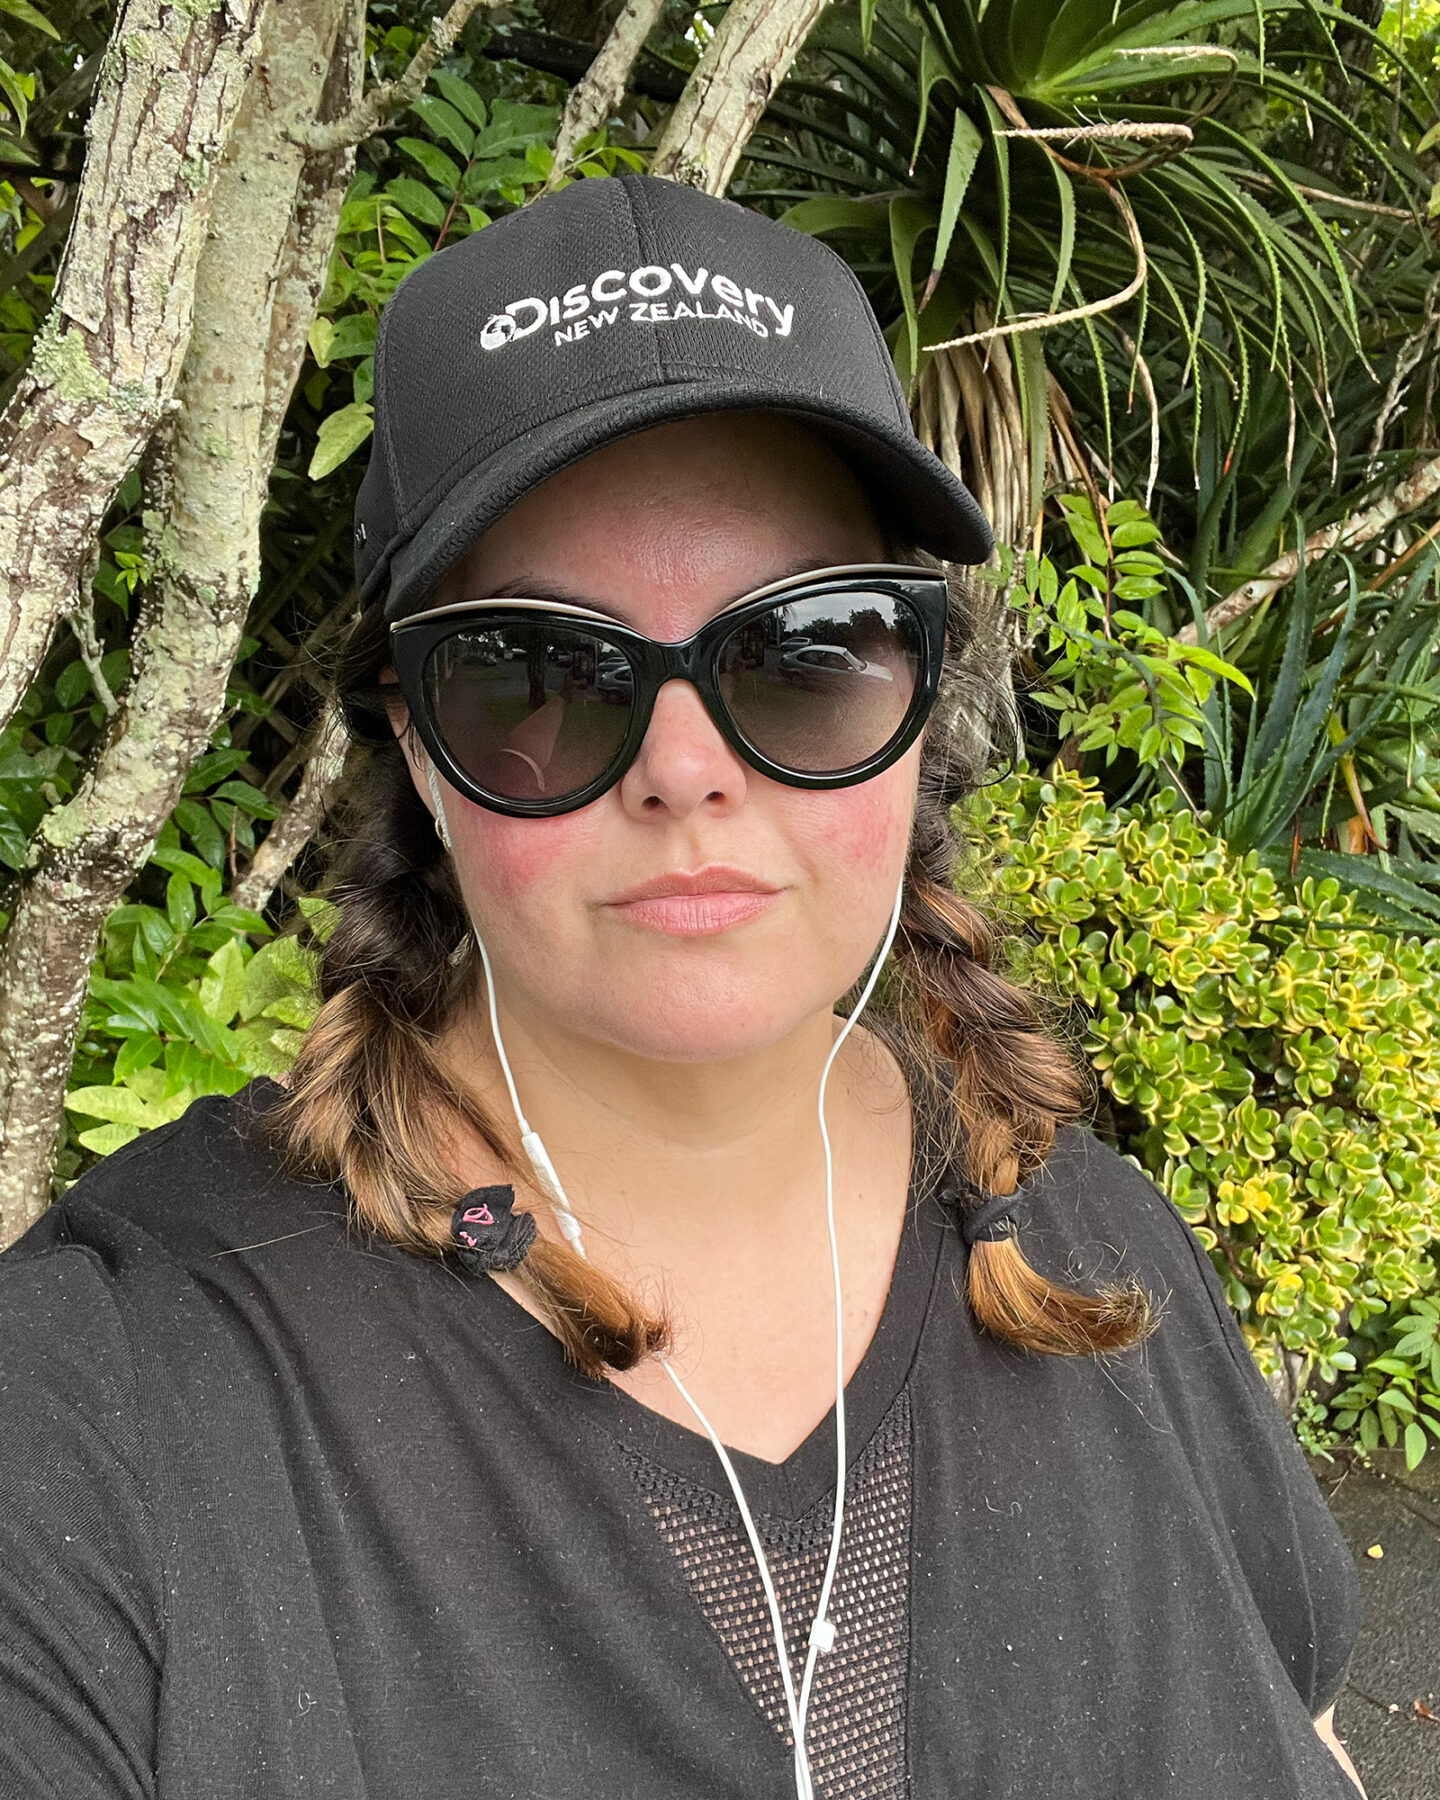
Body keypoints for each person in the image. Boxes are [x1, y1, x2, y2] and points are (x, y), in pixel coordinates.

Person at [0, 173, 1366, 1800]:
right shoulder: (112, 1408)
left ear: (923, 698)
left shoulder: (1102, 1261)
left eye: (802, 646)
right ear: (416, 751)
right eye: (536, 673)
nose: (686, 770)